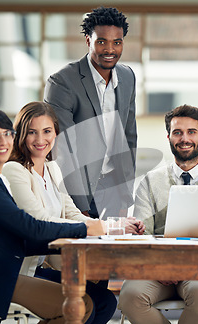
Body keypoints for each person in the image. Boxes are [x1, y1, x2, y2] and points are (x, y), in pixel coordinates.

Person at [0, 108, 106, 324]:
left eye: (6, 134)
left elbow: (24, 231)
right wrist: (85, 229)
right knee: (79, 305)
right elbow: (30, 227)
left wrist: (94, 229)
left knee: (101, 299)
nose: (3, 141)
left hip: (2, 266)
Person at [2, 101, 144, 324]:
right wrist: (107, 227)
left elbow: (73, 214)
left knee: (106, 301)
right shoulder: (14, 170)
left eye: (47, 131)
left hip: (39, 266)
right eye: (32, 132)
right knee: (81, 305)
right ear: (21, 134)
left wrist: (115, 227)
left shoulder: (52, 168)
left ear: (56, 133)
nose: (40, 139)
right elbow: (40, 221)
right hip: (17, 270)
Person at [118, 104, 198, 324]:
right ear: (169, 137)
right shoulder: (149, 183)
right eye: (177, 132)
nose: (185, 139)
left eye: (191, 132)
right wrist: (160, 266)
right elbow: (143, 235)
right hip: (158, 271)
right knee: (130, 296)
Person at [44, 6, 137, 219]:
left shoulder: (128, 77)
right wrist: (80, 207)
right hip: (80, 191)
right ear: (88, 40)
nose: (110, 49)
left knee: (114, 251)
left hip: (114, 190)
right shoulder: (62, 82)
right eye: (101, 41)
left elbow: (129, 138)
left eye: (117, 42)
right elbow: (63, 149)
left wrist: (125, 196)